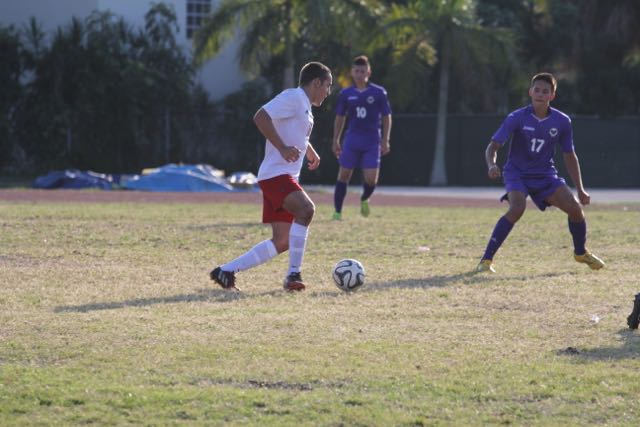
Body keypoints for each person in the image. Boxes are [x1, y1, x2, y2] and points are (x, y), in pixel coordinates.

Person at [210, 62, 332, 291]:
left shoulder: (304, 105)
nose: (328, 92)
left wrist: (309, 150)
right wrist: (283, 148)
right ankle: (293, 275)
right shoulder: (294, 97)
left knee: (282, 241)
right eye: (328, 86)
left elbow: (295, 132)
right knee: (306, 210)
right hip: (277, 175)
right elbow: (261, 117)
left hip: (280, 176)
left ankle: (225, 272)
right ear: (316, 82)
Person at [476, 72, 605, 273]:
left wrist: (580, 189)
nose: (540, 94)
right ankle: (486, 260)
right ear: (530, 92)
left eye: (546, 91)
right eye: (537, 90)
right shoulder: (516, 117)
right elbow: (492, 146)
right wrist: (492, 165)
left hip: (545, 175)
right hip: (517, 173)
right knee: (517, 207)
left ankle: (580, 253)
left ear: (552, 96)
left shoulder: (562, 121)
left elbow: (569, 155)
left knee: (575, 209)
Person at [331, 55, 392, 220]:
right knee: (344, 175)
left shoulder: (379, 92)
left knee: (371, 179)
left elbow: (387, 116)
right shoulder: (346, 93)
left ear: (369, 72)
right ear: (352, 72)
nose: (360, 74)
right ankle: (337, 212)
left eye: (363, 71)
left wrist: (385, 139)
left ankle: (365, 198)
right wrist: (336, 139)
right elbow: (340, 117)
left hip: (372, 140)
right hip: (352, 139)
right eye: (357, 71)